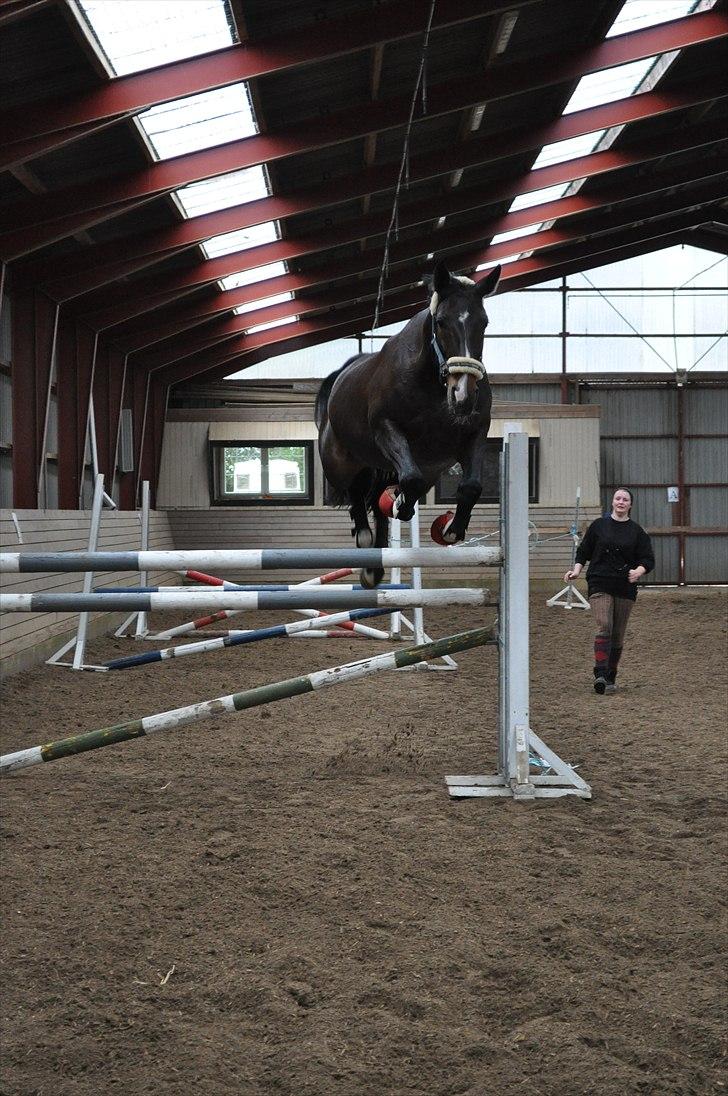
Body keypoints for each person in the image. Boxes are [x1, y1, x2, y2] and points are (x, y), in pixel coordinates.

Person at [564, 487, 654, 695]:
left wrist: (638, 571)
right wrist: (576, 571)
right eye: (618, 498)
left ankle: (611, 674)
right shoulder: (598, 526)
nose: (621, 502)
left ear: (630, 505)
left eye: (625, 499)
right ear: (612, 502)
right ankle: (600, 673)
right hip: (600, 581)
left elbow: (648, 559)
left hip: (625, 586)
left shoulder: (637, 532)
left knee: (618, 634)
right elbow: (583, 552)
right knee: (604, 625)